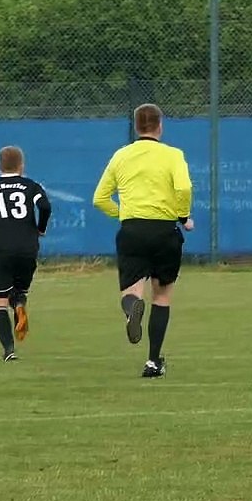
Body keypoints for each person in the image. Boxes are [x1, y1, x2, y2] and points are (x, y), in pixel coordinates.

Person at [93, 103, 194, 378]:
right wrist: (183, 215)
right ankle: (153, 362)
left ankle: (132, 310)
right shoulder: (173, 155)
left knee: (131, 291)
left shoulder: (121, 156)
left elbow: (100, 198)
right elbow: (184, 187)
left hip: (132, 230)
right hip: (164, 230)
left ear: (137, 126)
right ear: (160, 125)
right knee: (161, 295)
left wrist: (124, 214)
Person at [0, 146, 52, 361]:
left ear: (0, 165)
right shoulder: (31, 186)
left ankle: (9, 349)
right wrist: (40, 227)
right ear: (21, 166)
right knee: (18, 289)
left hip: (0, 251)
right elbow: (44, 206)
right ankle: (19, 305)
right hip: (27, 250)